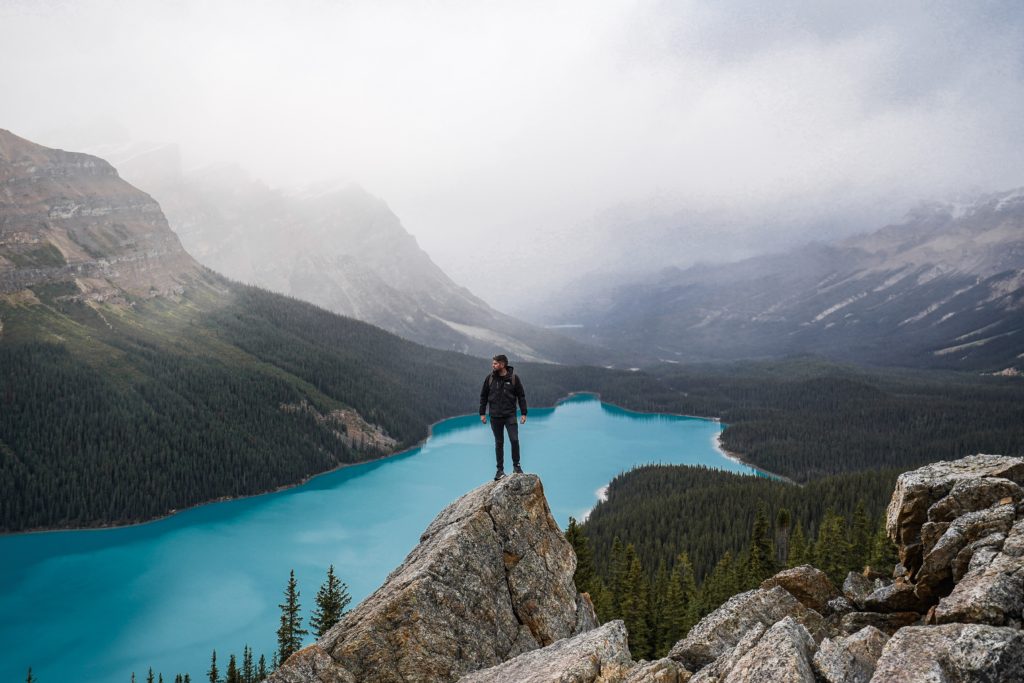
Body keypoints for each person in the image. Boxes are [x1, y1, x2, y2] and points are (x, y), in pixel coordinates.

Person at [479, 354, 527, 480]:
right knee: (499, 443)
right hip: (495, 416)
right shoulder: (490, 378)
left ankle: (517, 466)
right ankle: (499, 471)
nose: (493, 365)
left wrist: (523, 413)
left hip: (510, 415)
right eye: (493, 363)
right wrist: (482, 413)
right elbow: (483, 396)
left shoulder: (514, 378)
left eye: (495, 363)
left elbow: (521, 396)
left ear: (502, 364)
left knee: (514, 440)